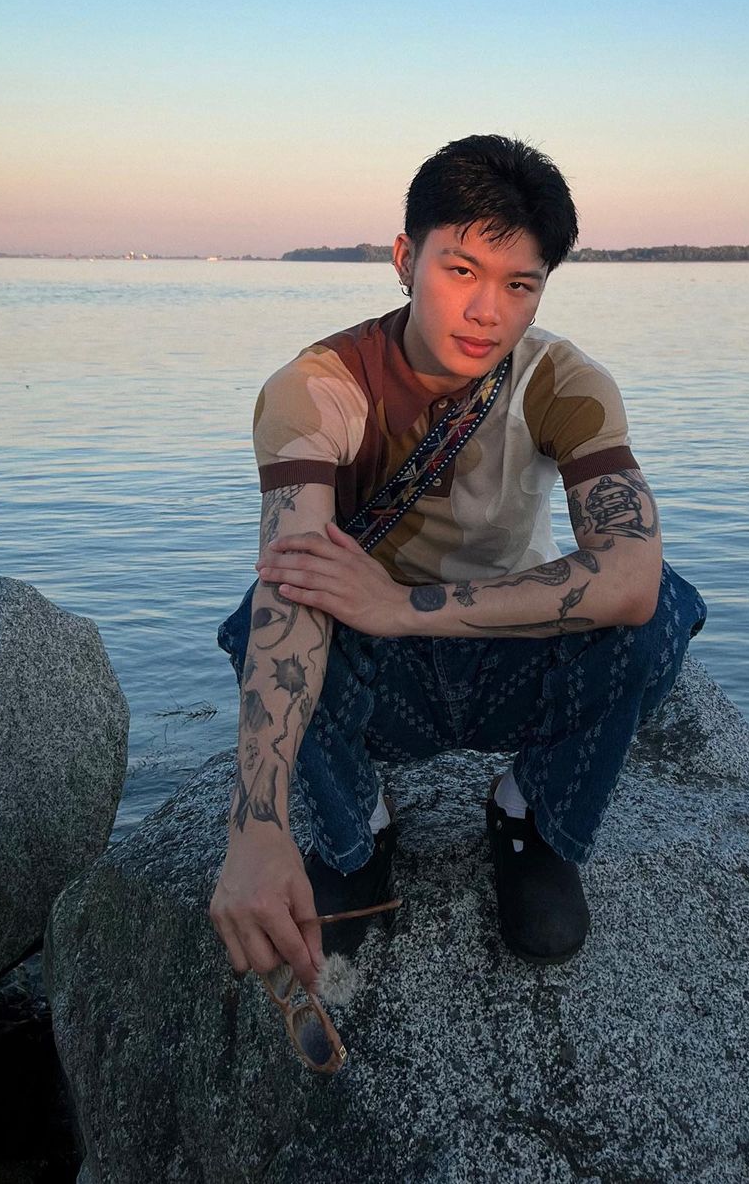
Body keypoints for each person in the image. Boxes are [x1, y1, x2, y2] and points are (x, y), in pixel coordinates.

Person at [209, 134, 706, 996]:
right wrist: (256, 827)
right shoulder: (319, 388)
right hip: (380, 682)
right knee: (270, 606)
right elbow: (290, 594)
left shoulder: (563, 381)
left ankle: (530, 816)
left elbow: (631, 579)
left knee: (663, 612)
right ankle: (358, 831)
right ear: (406, 259)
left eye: (520, 285)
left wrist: (402, 605)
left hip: (504, 655)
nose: (487, 311)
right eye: (462, 270)